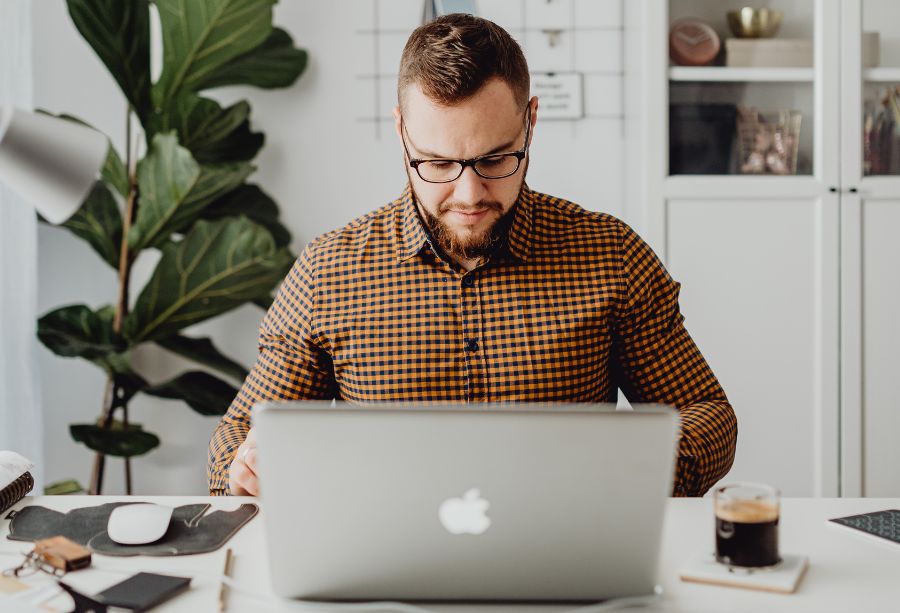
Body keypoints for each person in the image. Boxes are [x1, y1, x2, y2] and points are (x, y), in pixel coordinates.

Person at [207, 13, 737, 498]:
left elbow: (709, 415)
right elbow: (238, 435)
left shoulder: (610, 255)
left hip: (565, 558)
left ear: (530, 122)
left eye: (495, 159)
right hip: (382, 567)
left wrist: (640, 470)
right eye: (436, 164)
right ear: (401, 132)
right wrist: (244, 466)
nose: (468, 195)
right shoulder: (329, 271)